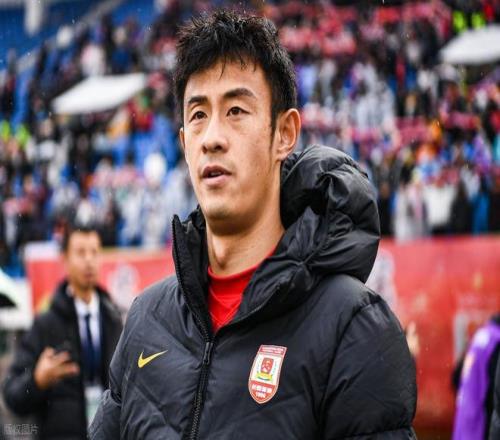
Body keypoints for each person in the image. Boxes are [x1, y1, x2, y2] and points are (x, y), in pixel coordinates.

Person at [90, 10, 416, 439]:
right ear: (184, 142)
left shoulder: (352, 327)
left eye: (236, 110)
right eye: (198, 115)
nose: (212, 138)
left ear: (284, 133)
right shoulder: (145, 320)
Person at [3, 223, 123, 440]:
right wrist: (37, 381)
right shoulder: (45, 324)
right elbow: (12, 395)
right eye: (81, 252)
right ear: (65, 260)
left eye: (94, 252)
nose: (89, 260)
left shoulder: (113, 320)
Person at [453, 313, 500, 440]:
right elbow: (494, 397)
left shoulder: (481, 335)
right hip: (480, 427)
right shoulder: (496, 342)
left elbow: (456, 378)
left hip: (464, 423)